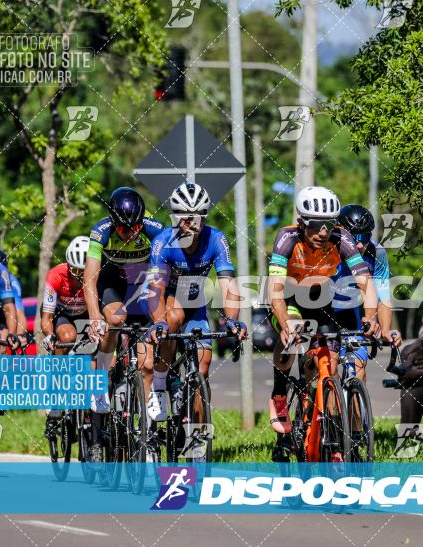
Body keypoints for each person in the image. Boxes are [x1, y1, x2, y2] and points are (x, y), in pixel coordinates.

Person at [266, 186, 380, 462]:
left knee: (329, 363)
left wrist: (371, 316)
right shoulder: (286, 238)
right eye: (316, 225)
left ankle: (330, 433)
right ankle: (280, 393)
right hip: (290, 298)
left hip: (321, 300)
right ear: (303, 222)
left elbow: (366, 282)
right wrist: (286, 324)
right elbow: (275, 291)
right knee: (292, 341)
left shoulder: (342, 238)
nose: (323, 232)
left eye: (329, 224)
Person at [145, 182, 247, 422]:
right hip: (167, 297)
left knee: (203, 367)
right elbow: (154, 291)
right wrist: (159, 322)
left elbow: (228, 285)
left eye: (199, 216)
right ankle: (159, 385)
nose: (193, 223)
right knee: (173, 318)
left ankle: (199, 434)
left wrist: (232, 319)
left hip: (195, 300)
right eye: (186, 217)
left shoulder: (216, 239)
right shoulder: (163, 242)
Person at [84, 187, 165, 419]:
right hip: (111, 284)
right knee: (116, 318)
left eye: (136, 227)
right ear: (112, 222)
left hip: (139, 284)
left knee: (147, 364)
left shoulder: (154, 229)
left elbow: (166, 270)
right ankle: (101, 376)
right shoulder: (101, 231)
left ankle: (145, 435)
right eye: (122, 228)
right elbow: (90, 278)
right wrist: (94, 317)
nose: (130, 233)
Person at [332, 204, 402, 382]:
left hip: (352, 312)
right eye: (355, 238)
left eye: (366, 236)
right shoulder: (329, 249)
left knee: (358, 370)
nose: (361, 244)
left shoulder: (376, 252)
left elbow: (383, 296)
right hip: (325, 308)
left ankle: (356, 408)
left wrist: (386, 329)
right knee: (328, 368)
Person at [40, 236, 90, 432]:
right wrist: (49, 335)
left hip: (86, 314)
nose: (80, 277)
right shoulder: (56, 276)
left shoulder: (96, 277)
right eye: (76, 271)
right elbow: (46, 317)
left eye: (84, 272)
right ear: (69, 267)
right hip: (62, 315)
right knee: (66, 337)